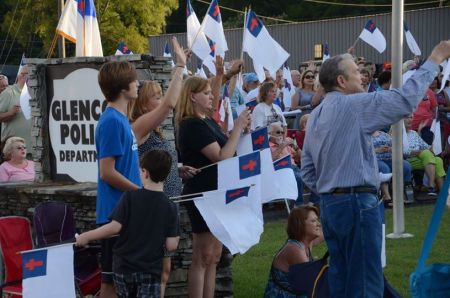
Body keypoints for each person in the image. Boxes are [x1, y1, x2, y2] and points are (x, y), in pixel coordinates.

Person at [300, 41, 450, 297]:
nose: (362, 75)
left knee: (342, 280)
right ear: (341, 80)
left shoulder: (315, 115)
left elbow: (308, 172)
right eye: (355, 71)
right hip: (357, 203)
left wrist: (332, 190)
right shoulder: (355, 105)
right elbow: (404, 100)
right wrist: (435, 58)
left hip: (330, 206)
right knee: (365, 284)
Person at [127, 38, 196, 296]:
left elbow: (152, 163)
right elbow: (170, 104)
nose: (162, 100)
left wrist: (177, 168)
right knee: (155, 271)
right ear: (144, 104)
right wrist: (179, 65)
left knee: (164, 269)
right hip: (153, 207)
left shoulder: (153, 130)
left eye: (160, 95)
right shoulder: (138, 127)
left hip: (168, 203)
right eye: (156, 96)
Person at [175, 76, 251, 298]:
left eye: (211, 92)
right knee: (202, 256)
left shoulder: (207, 120)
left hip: (218, 191)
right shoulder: (191, 124)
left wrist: (240, 132)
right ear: (192, 96)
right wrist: (237, 127)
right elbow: (221, 156)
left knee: (215, 256)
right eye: (206, 93)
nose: (211, 97)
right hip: (203, 194)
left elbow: (227, 145)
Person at [76, 149, 180, 298]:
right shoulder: (170, 206)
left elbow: (114, 227)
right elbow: (171, 245)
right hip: (150, 269)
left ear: (145, 173)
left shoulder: (130, 197)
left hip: (123, 268)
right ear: (166, 175)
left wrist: (86, 236)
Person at [95, 60, 143, 298]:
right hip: (115, 214)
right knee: (111, 285)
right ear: (124, 88)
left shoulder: (122, 119)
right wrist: (139, 193)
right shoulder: (112, 121)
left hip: (126, 212)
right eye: (134, 80)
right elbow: (107, 171)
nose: (138, 84)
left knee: (125, 284)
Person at [264, 205, 323, 297]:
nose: (318, 224)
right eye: (313, 221)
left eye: (317, 220)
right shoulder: (294, 249)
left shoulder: (306, 242)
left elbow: (330, 231)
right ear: (300, 224)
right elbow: (312, 282)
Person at [404, 114, 445, 195]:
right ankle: (431, 186)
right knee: (426, 153)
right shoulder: (397, 134)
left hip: (422, 159)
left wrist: (433, 146)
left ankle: (443, 191)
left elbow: (426, 147)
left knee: (438, 159)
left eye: (411, 117)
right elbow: (402, 152)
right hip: (408, 160)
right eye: (407, 117)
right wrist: (420, 151)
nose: (410, 119)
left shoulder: (414, 133)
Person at [0, 66, 32, 157]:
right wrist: (10, 113)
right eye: (32, 75)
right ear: (22, 75)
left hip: (34, 148)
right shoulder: (8, 93)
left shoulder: (35, 92)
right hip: (13, 151)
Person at [268, 122, 303, 205]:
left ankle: (313, 202)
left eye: (282, 132)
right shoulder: (267, 146)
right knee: (298, 177)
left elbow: (301, 157)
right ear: (270, 134)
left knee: (316, 174)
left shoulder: (286, 144)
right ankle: (299, 205)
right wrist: (282, 146)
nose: (281, 134)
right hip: (280, 170)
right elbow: (270, 160)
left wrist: (295, 146)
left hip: (294, 167)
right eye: (278, 132)